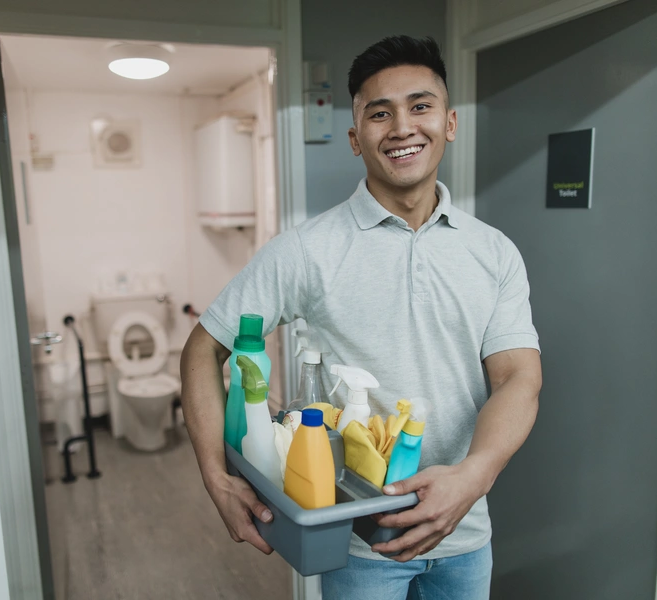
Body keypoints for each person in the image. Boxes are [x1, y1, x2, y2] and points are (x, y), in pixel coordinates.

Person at [179, 35, 542, 600]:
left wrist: (476, 475)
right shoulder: (306, 250)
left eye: (420, 106)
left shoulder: (493, 252)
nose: (401, 127)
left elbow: (519, 377)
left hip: (466, 535)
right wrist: (215, 478)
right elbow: (204, 348)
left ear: (448, 123)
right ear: (355, 138)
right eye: (380, 113)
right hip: (354, 543)